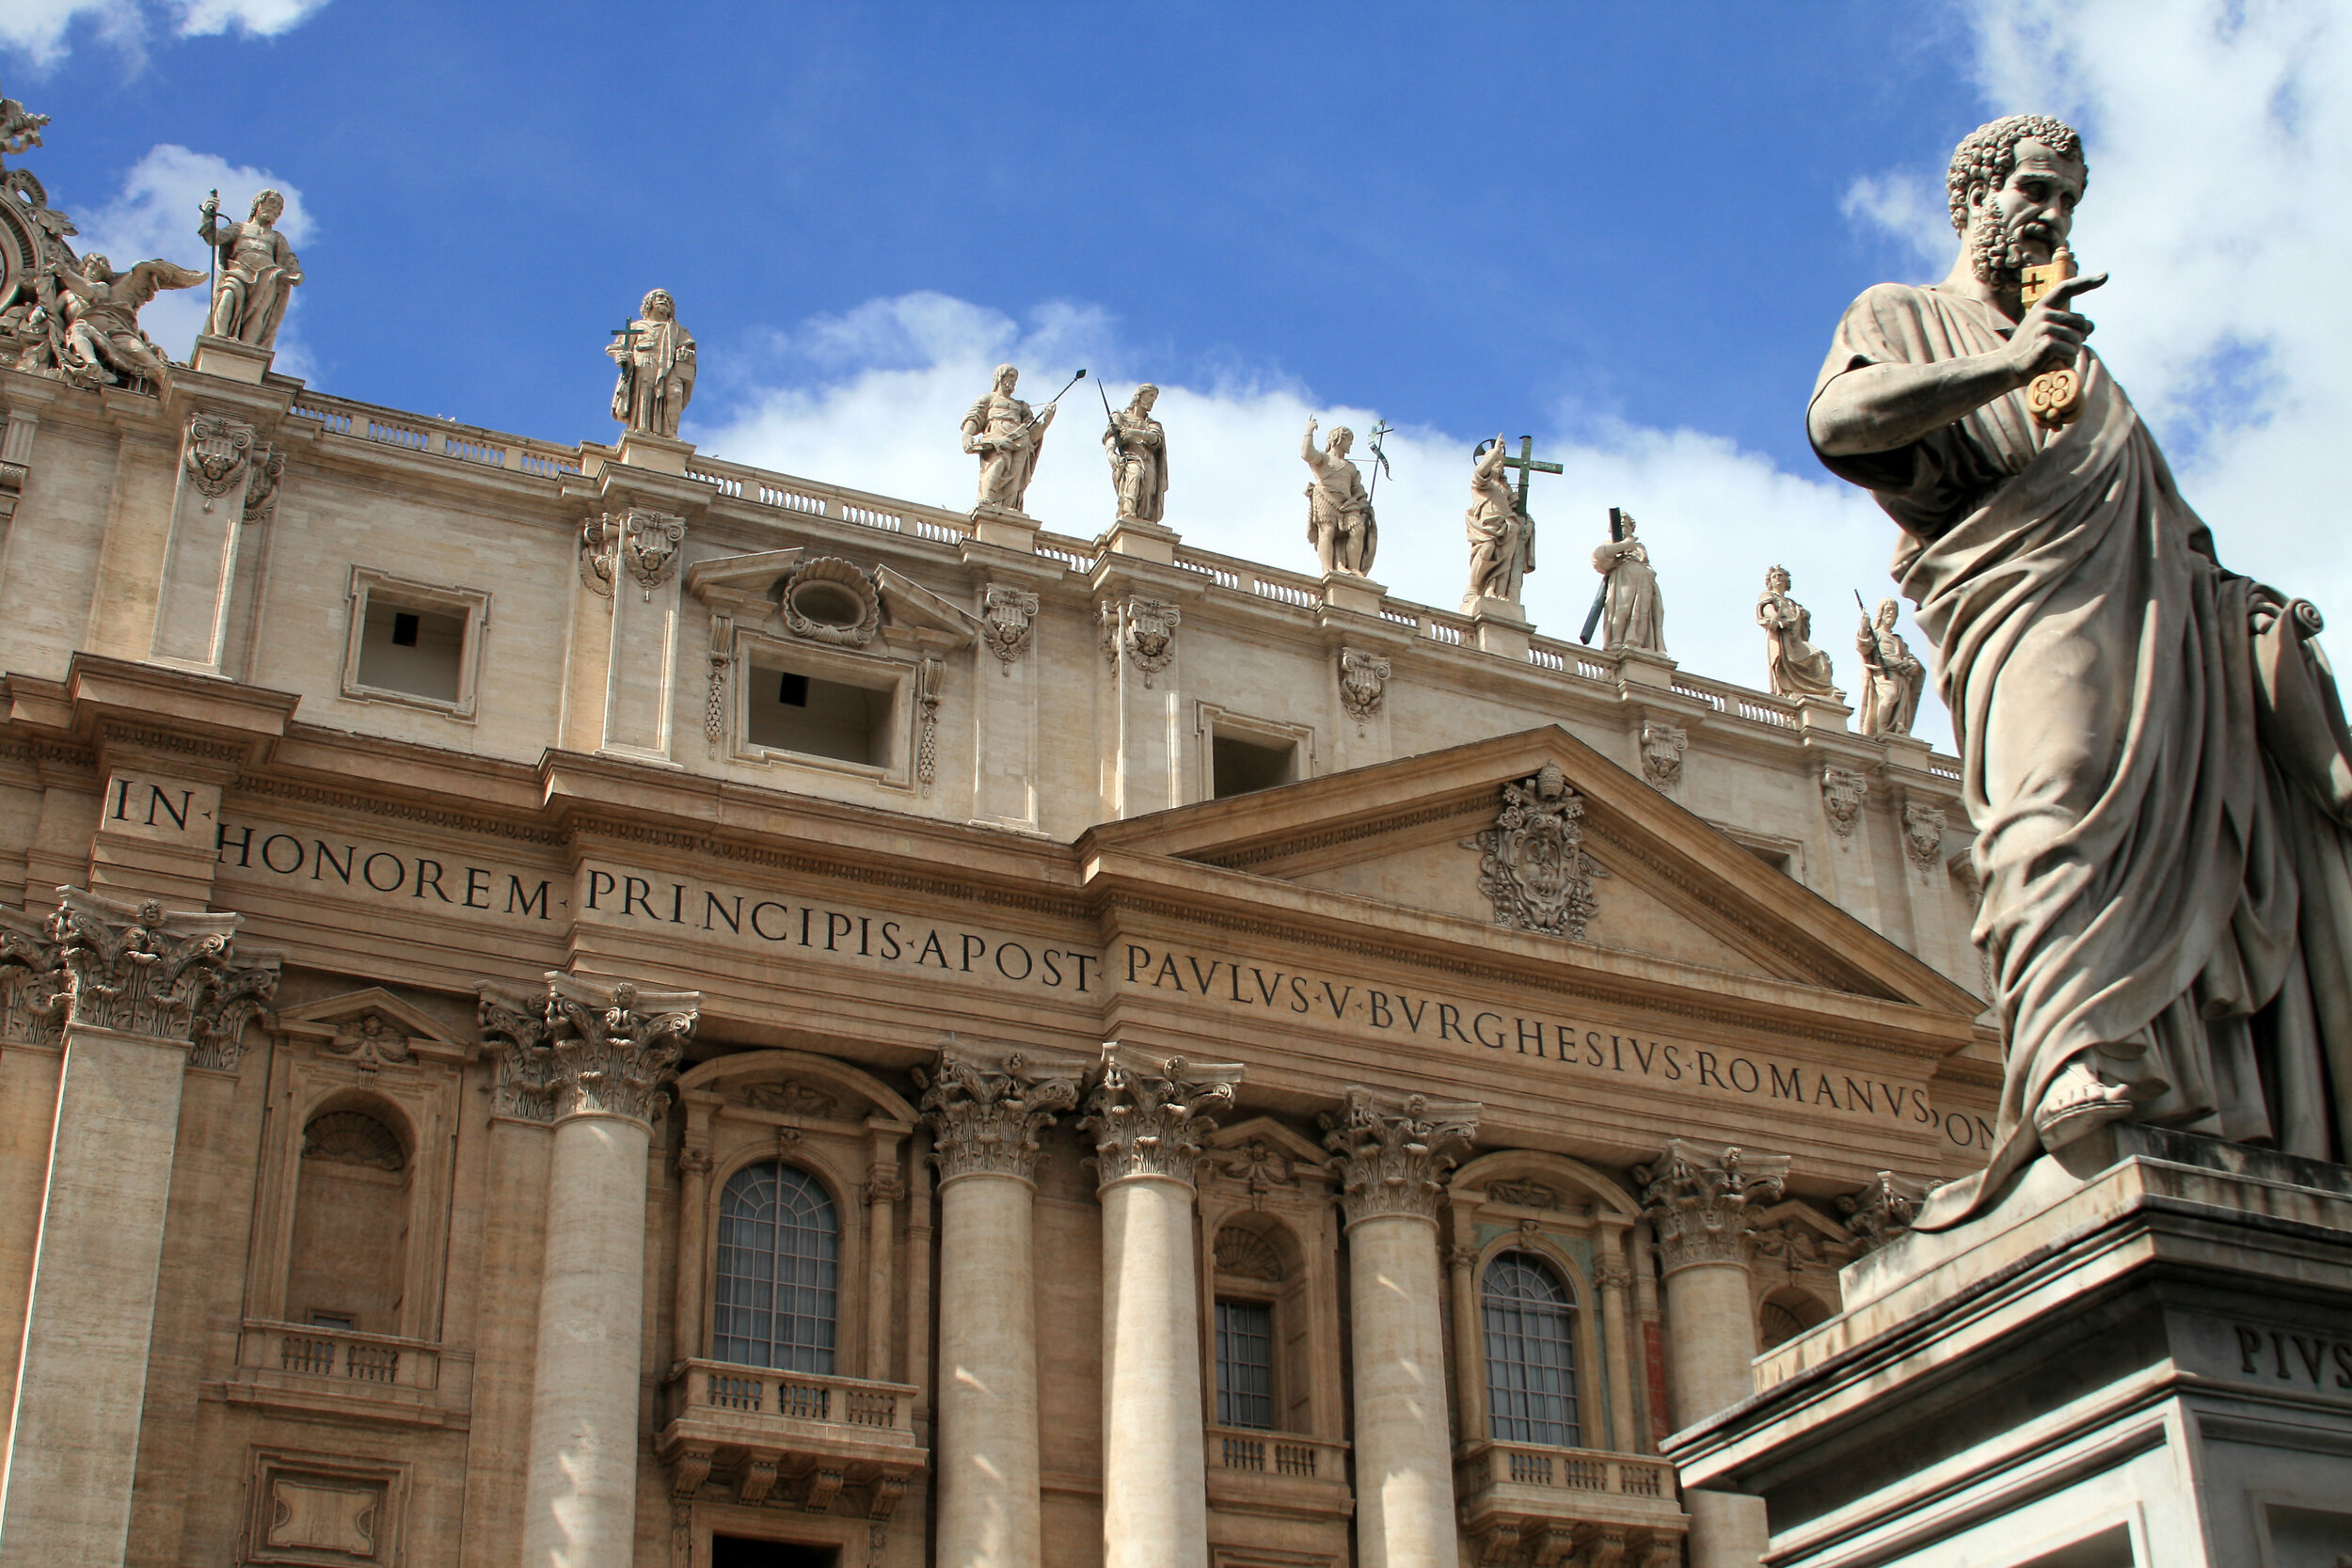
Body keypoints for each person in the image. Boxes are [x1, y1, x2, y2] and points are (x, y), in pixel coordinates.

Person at [1810, 114, 2352, 1213]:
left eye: (2066, 199)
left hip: (2157, 634)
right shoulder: (1902, 316)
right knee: (2044, 805)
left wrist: (2265, 647)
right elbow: (1838, 422)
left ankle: (2163, 1073)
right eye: (2034, 189)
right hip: (2022, 604)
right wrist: (2005, 362)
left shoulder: (2090, 375)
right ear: (1973, 196)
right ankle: (2064, 1053)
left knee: (2182, 842)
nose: (2052, 215)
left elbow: (2181, 547)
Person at [48, 252, 205, 385]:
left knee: (140, 352)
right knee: (78, 329)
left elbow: (89, 291)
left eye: (100, 267)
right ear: (83, 268)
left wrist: (64, 272)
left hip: (115, 329)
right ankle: (92, 366)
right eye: (91, 265)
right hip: (84, 330)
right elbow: (53, 317)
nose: (95, 269)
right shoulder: (67, 295)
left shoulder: (103, 288)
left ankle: (169, 382)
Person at [198, 188, 302, 349]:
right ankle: (219, 338)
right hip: (239, 270)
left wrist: (296, 274)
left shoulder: (276, 237)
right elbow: (214, 238)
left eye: (278, 208)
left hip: (267, 277)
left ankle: (248, 348)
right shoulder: (239, 228)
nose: (274, 209)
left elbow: (288, 258)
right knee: (228, 294)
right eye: (271, 203)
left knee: (258, 312)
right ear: (258, 204)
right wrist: (206, 216)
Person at [962, 363, 1054, 513]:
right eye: (1010, 376)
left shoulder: (1022, 406)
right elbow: (974, 418)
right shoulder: (989, 399)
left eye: (1015, 378)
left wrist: (1046, 421)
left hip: (1020, 442)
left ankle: (1008, 509)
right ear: (1000, 377)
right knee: (997, 465)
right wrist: (967, 435)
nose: (1013, 381)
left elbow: (1032, 433)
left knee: (1015, 478)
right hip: (996, 439)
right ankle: (987, 500)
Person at [608, 289, 695, 438]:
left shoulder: (676, 329)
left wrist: (686, 352)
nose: (665, 300)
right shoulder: (637, 326)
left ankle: (670, 432)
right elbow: (618, 347)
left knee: (675, 394)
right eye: (660, 297)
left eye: (668, 299)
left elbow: (687, 347)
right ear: (650, 302)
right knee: (644, 394)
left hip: (669, 365)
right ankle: (642, 429)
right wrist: (620, 356)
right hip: (644, 360)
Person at [1301, 417, 1377, 576]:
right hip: (1325, 497)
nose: (1350, 444)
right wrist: (1309, 432)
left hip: (1348, 503)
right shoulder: (1323, 458)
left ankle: (1354, 568)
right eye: (1349, 440)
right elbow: (1306, 454)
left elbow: (1357, 489)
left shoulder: (1350, 467)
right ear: (1339, 438)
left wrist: (1363, 503)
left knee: (1358, 529)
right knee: (1327, 531)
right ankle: (1329, 568)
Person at [1463, 435, 1533, 606]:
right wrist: (1495, 452)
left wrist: (1527, 522)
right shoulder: (1482, 483)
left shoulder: (1504, 488)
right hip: (1486, 526)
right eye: (1496, 463)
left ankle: (1493, 590)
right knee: (1487, 549)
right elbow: (1480, 472)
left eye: (1501, 463)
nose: (1500, 465)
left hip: (1507, 527)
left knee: (1504, 560)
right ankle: (1473, 589)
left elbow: (1516, 509)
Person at [1756, 566, 1840, 699]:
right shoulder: (1768, 595)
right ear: (1769, 582)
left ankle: (1822, 691)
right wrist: (1776, 619)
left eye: (1781, 575)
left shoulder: (1792, 603)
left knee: (1821, 657)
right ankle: (1794, 691)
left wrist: (1804, 616)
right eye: (1774, 576)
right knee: (1793, 662)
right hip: (1783, 638)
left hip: (1796, 640)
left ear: (1787, 580)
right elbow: (1767, 609)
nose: (1778, 578)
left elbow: (1803, 628)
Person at [1591, 512, 1665, 652]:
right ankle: (1617, 641)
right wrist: (1624, 545)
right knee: (1622, 609)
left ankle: (1638, 643)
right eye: (1620, 520)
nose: (1623, 520)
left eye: (1626, 520)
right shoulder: (1611, 544)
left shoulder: (1640, 547)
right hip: (1624, 578)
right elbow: (1599, 557)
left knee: (1642, 614)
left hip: (1644, 581)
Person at [1854, 597, 1925, 737]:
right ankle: (1881, 730)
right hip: (1884, 674)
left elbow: (1910, 658)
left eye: (1894, 612)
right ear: (1881, 613)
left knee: (1899, 703)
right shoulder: (1876, 634)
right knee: (1889, 696)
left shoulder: (1898, 640)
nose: (1891, 615)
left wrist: (1911, 665)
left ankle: (1894, 728)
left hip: (1901, 675)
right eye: (1889, 611)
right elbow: (1863, 646)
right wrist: (1863, 626)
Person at [1104, 383, 1168, 523]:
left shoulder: (1153, 424)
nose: (1152, 400)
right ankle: (1128, 514)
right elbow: (1111, 436)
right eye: (1150, 396)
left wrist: (1134, 432)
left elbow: (1155, 438)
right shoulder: (1120, 417)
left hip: (1149, 462)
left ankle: (1143, 524)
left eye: (1155, 398)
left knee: (1147, 494)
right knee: (1134, 475)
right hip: (1131, 459)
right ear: (1139, 396)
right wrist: (1111, 453)